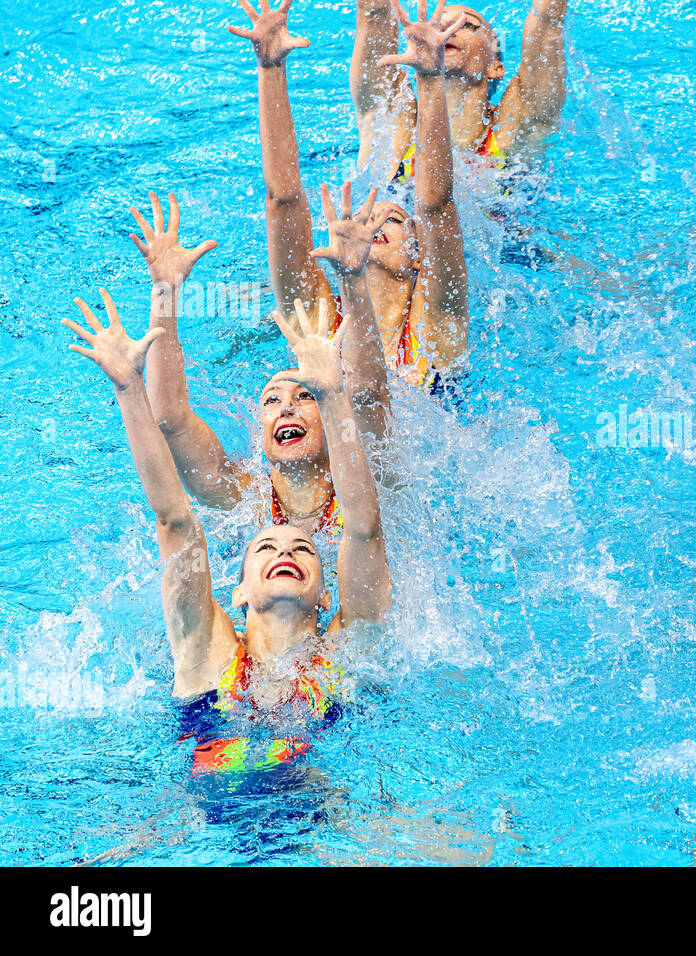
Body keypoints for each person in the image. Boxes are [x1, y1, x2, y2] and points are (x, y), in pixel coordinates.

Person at [63, 289, 392, 772]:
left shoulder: (346, 655)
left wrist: (334, 395)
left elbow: (364, 531)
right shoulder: (205, 651)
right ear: (236, 592)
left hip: (320, 826)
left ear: (328, 595)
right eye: (267, 546)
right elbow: (175, 518)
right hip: (196, 831)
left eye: (304, 548)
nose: (288, 550)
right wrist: (129, 390)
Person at [229, 0, 472, 380]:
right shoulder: (320, 323)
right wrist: (270, 70)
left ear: (418, 260)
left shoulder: (438, 328)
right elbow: (283, 201)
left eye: (390, 218)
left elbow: (437, 206)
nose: (370, 224)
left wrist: (429, 80)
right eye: (362, 218)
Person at [134, 187, 393, 536]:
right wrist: (164, 292)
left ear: (332, 416)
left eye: (305, 396)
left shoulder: (369, 478)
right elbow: (170, 421)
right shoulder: (246, 499)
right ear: (260, 432)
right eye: (272, 399)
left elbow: (369, 389)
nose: (286, 406)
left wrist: (352, 278)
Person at [353, 0, 569, 179]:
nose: (444, 31)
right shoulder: (394, 127)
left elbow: (547, 17)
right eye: (436, 25)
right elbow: (372, 11)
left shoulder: (513, 131)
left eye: (465, 24)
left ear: (495, 66)